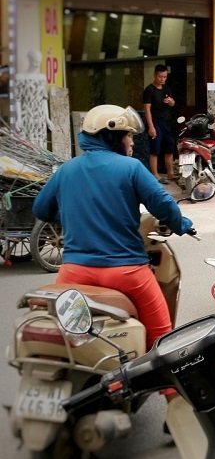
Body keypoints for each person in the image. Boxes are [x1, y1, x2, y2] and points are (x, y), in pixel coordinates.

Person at [32, 104, 193, 350]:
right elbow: (163, 204)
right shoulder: (131, 168)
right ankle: (167, 388)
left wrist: (70, 214)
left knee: (66, 336)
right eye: (128, 135)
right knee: (163, 337)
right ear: (113, 136)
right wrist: (181, 224)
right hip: (127, 273)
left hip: (73, 272)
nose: (131, 141)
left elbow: (41, 209)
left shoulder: (66, 170)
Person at [143, 64, 176, 183]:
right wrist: (151, 127)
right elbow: (147, 110)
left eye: (165, 77)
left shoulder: (166, 88)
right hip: (155, 121)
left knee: (169, 147)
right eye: (160, 77)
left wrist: (171, 101)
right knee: (155, 149)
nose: (162, 79)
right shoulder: (149, 90)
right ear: (155, 75)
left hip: (166, 121)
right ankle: (155, 174)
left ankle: (170, 173)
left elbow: (173, 104)